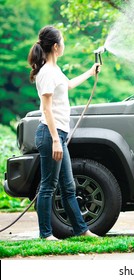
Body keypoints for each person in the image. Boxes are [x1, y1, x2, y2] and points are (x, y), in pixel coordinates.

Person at [28, 25, 100, 240]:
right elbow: (46, 109)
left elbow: (68, 85)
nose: (65, 46)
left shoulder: (54, 70)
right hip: (51, 135)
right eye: (63, 42)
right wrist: (55, 141)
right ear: (57, 46)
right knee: (48, 187)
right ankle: (46, 234)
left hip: (58, 135)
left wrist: (89, 72)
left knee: (68, 186)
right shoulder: (47, 73)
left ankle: (81, 230)